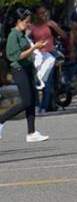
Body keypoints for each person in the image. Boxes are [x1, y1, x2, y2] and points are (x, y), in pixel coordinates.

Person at [0, 8, 50, 142]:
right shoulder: (13, 35)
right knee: (26, 101)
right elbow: (16, 56)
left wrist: (37, 48)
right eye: (27, 22)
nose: (29, 24)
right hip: (19, 70)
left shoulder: (22, 35)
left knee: (32, 100)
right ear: (19, 21)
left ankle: (31, 132)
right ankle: (1, 120)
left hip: (28, 69)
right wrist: (33, 48)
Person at [29, 5, 67, 114]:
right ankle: (36, 105)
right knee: (36, 80)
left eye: (45, 12)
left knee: (46, 80)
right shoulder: (32, 27)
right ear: (36, 15)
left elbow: (64, 35)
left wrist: (55, 28)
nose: (43, 15)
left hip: (50, 54)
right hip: (38, 56)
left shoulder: (50, 24)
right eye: (41, 13)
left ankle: (44, 107)